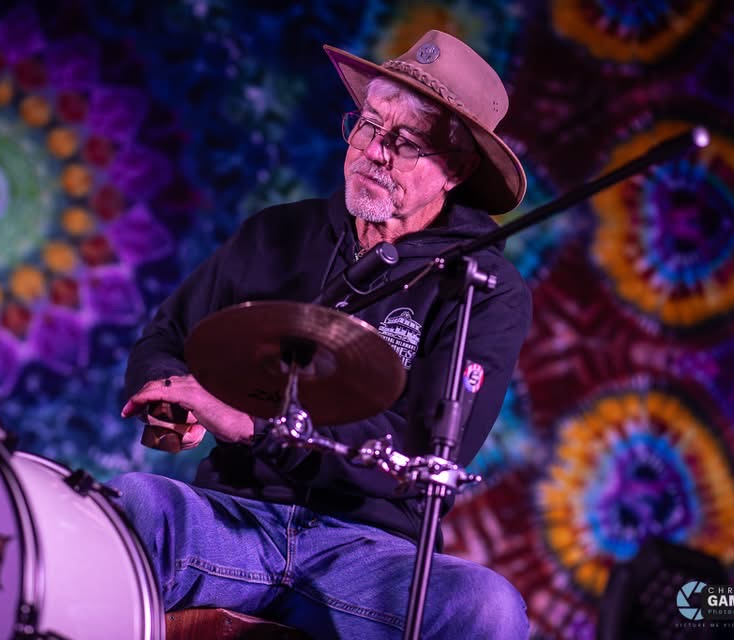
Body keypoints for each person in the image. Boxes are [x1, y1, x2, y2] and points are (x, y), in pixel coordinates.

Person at [113, 29, 532, 639]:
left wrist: (252, 426)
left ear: (456, 170)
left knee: (487, 608)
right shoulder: (276, 234)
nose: (373, 151)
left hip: (370, 552)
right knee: (133, 507)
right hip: (235, 520)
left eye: (405, 141)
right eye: (367, 125)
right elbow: (166, 338)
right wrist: (171, 398)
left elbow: (428, 452)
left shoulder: (482, 286)